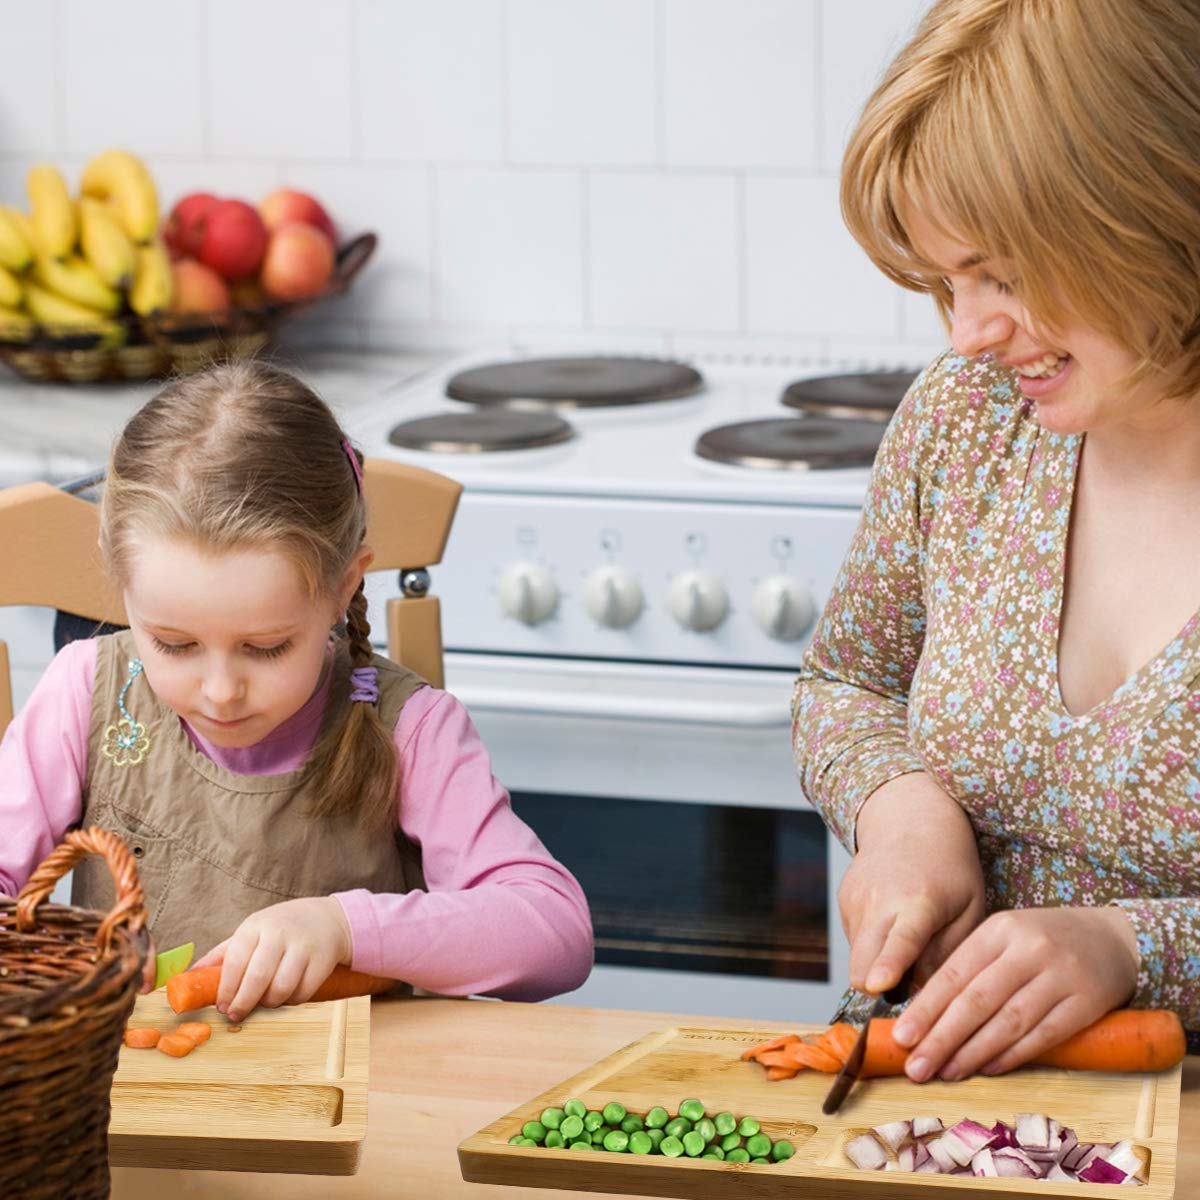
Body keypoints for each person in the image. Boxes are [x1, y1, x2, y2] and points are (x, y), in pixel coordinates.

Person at [793, 0, 1200, 1085]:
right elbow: (847, 682)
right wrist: (905, 813)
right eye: (944, 283)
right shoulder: (968, 419)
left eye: (1005, 275)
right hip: (952, 1127)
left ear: (1152, 214)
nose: (967, 333)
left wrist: (1135, 947)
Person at [0, 360, 593, 1023]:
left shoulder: (410, 728)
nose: (221, 692)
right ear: (122, 588)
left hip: (355, 1109)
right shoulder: (85, 691)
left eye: (266, 647)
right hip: (118, 1108)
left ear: (343, 587)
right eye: (174, 643)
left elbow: (556, 933)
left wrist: (343, 927)